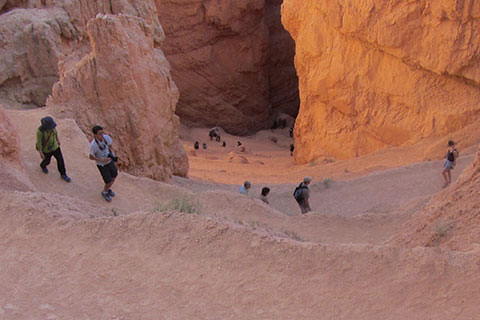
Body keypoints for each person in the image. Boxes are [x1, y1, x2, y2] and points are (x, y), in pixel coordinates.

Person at [35, 116, 71, 182]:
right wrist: (41, 153)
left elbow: (55, 133)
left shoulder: (52, 128)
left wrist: (57, 140)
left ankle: (63, 174)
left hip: (55, 147)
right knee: (47, 161)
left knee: (60, 160)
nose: (53, 128)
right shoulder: (39, 132)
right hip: (46, 150)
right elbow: (39, 143)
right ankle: (43, 165)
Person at [89, 125, 118, 202]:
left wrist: (112, 154)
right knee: (108, 181)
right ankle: (105, 192)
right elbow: (91, 157)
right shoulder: (93, 145)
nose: (102, 135)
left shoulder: (106, 138)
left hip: (109, 161)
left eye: (102, 133)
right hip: (102, 165)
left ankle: (108, 189)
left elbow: (110, 146)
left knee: (114, 175)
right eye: (100, 134)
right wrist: (101, 160)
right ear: (95, 135)